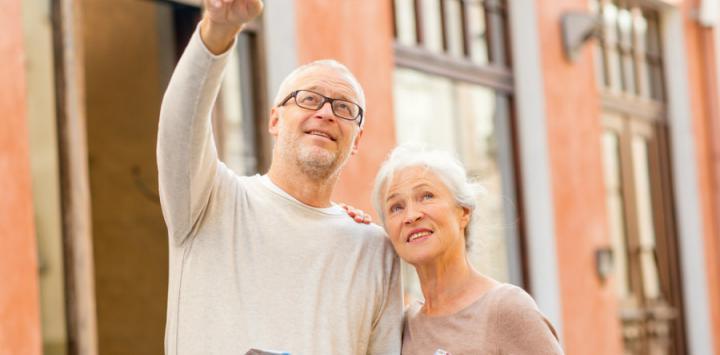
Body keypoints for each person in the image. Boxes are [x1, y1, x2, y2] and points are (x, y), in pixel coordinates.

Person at [156, 0, 402, 353]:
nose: (326, 113)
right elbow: (180, 127)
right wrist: (218, 31)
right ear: (275, 120)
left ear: (357, 140)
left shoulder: (374, 249)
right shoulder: (210, 201)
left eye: (344, 108)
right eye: (308, 99)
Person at [371, 145, 564, 355]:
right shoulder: (401, 328)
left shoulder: (507, 310)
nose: (411, 215)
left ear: (463, 213)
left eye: (426, 196)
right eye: (396, 207)